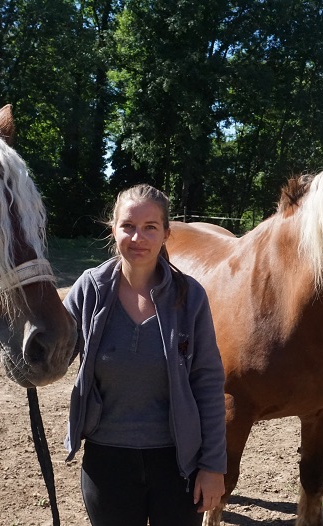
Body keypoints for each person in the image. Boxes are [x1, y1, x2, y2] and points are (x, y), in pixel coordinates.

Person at [63, 183, 226, 526]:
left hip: (178, 462)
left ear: (167, 233)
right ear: (113, 228)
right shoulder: (89, 290)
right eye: (128, 227)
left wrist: (213, 467)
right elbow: (50, 352)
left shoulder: (190, 297)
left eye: (150, 228)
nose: (138, 238)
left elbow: (209, 386)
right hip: (106, 462)